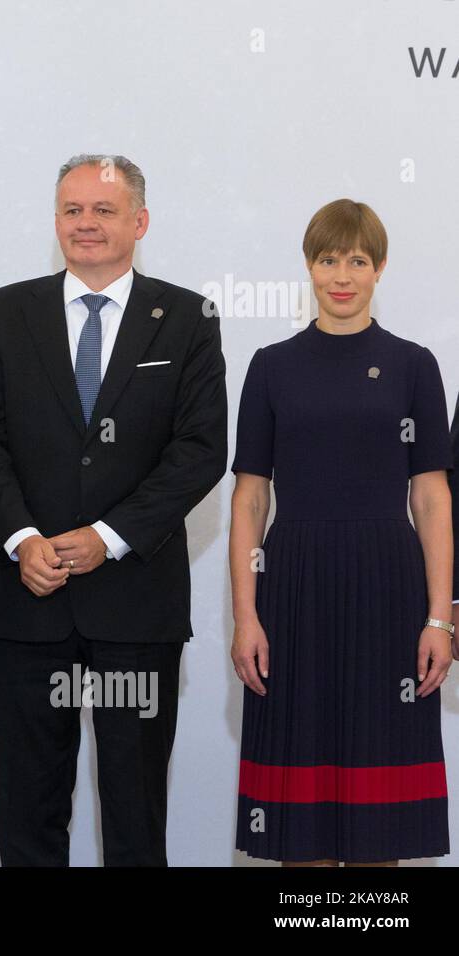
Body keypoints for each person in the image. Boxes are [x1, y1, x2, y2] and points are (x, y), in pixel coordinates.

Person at [0, 154, 228, 866]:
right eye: (72, 210)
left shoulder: (188, 319)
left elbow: (199, 451)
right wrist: (20, 539)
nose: (86, 223)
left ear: (139, 221)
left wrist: (108, 538)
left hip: (136, 605)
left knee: (136, 816)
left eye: (104, 210)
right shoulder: (4, 311)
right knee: (29, 810)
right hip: (31, 600)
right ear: (55, 222)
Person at [230, 199, 451, 866]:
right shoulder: (270, 366)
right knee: (300, 831)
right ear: (309, 266)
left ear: (380, 268)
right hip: (292, 590)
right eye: (328, 259)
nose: (342, 274)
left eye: (357, 259)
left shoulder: (415, 366)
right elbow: (248, 500)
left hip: (390, 592)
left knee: (379, 826)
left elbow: (434, 500)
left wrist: (439, 620)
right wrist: (245, 616)